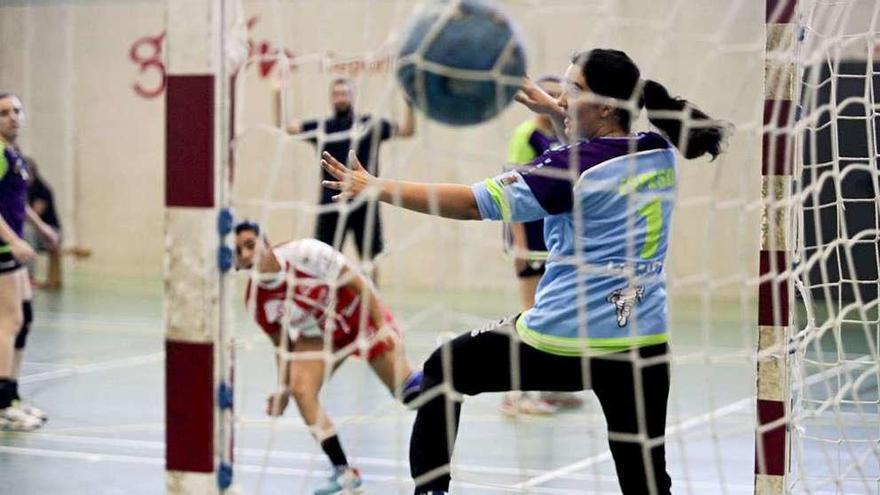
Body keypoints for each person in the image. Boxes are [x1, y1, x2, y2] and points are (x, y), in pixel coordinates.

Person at [320, 49, 729, 495]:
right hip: (641, 345)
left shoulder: (569, 169)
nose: (561, 96)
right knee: (646, 481)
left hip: (563, 341)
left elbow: (471, 202)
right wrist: (558, 113)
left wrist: (377, 186)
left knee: (444, 366)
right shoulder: (659, 151)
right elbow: (601, 151)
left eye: (572, 89)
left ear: (607, 105)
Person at [234, 220, 422, 495]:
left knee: (410, 394)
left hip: (359, 317)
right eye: (239, 252)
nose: (247, 255)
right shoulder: (256, 299)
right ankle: (344, 472)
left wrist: (382, 326)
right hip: (321, 334)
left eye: (250, 245)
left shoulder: (306, 254)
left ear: (266, 241)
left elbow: (360, 283)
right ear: (236, 264)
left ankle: (438, 372)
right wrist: (283, 388)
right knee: (301, 389)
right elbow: (283, 344)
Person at [500, 74, 583, 417]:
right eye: (547, 94)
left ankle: (549, 387)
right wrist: (519, 245)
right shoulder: (526, 136)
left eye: (558, 95)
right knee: (530, 315)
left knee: (554, 314)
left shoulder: (561, 135)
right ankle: (515, 395)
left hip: (554, 236)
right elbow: (510, 190)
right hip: (529, 235)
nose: (555, 100)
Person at [279, 78, 415, 280]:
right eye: (336, 94)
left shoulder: (370, 125)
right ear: (331, 98)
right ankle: (325, 302)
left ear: (353, 97)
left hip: (365, 203)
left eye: (345, 93)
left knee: (371, 258)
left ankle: (372, 301)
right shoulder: (323, 128)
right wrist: (278, 92)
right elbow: (288, 127)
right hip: (331, 204)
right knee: (325, 257)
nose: (341, 98)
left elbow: (406, 130)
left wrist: (410, 99)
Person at [0, 93, 57, 431]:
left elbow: (17, 201)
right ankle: (3, 405)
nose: (12, 117)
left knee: (26, 317)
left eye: (17, 111)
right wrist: (14, 240)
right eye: (4, 112)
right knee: (9, 322)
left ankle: (13, 395)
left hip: (13, 249)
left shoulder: (14, 153)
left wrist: (41, 228)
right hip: (3, 251)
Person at [24, 156, 63, 290]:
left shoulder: (42, 190)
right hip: (33, 231)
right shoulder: (19, 188)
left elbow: (33, 216)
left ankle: (29, 277)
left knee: (27, 231)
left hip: (49, 232)